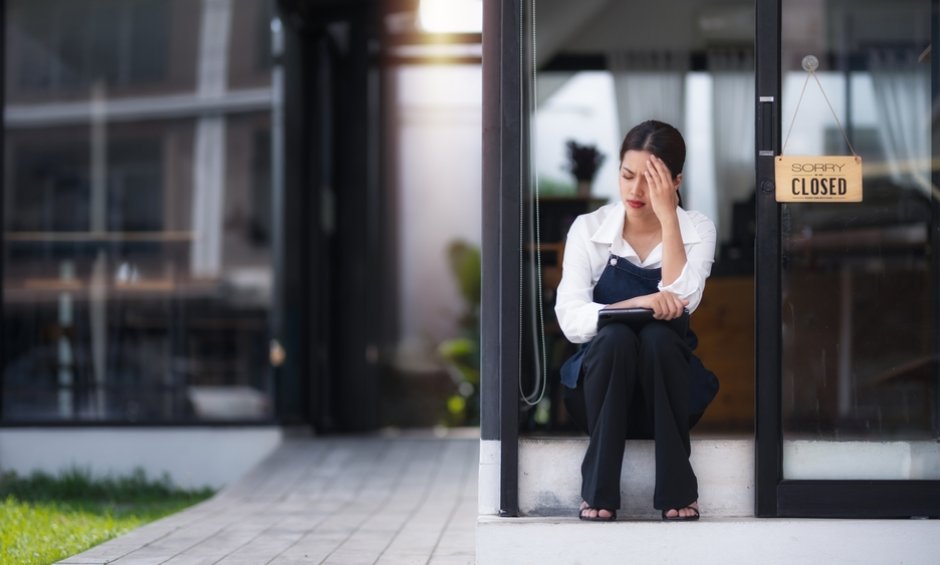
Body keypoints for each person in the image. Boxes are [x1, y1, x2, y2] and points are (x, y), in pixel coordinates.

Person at [554, 120, 717, 522]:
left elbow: (684, 298)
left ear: (676, 180)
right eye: (628, 176)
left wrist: (668, 217)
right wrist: (641, 301)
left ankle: (679, 490)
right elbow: (571, 319)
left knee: (661, 339)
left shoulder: (697, 229)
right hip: (602, 396)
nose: (635, 190)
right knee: (615, 341)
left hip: (669, 396)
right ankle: (598, 492)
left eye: (650, 180)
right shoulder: (588, 230)